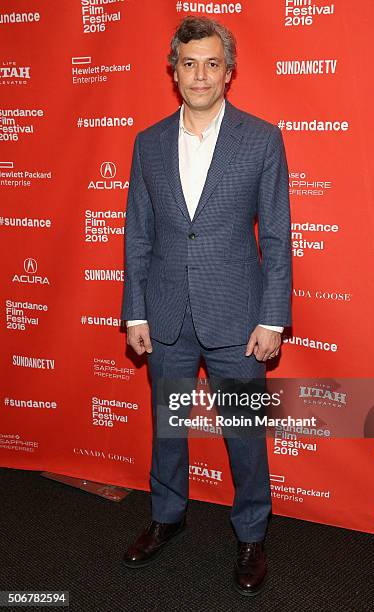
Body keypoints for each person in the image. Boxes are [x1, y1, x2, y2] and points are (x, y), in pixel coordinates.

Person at [120, 16, 292, 597]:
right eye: (189, 63)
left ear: (229, 72)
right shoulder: (146, 143)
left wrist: (272, 317)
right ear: (174, 71)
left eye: (212, 63)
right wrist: (135, 312)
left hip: (238, 316)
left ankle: (251, 534)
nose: (200, 74)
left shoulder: (262, 139)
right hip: (166, 313)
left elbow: (276, 237)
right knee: (168, 428)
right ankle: (166, 517)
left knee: (243, 432)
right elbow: (138, 234)